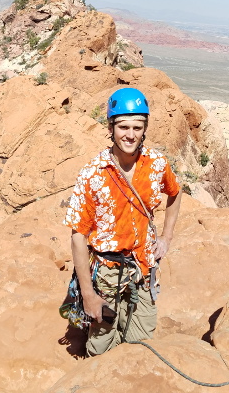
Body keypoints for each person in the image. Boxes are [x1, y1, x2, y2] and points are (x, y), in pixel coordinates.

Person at [61, 87, 182, 356]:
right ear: (111, 127)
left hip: (143, 267)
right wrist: (89, 294)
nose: (130, 134)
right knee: (101, 347)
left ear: (145, 128)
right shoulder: (94, 173)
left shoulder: (157, 164)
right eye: (123, 126)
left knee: (140, 344)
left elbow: (175, 193)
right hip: (106, 270)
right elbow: (78, 236)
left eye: (137, 127)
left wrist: (166, 237)